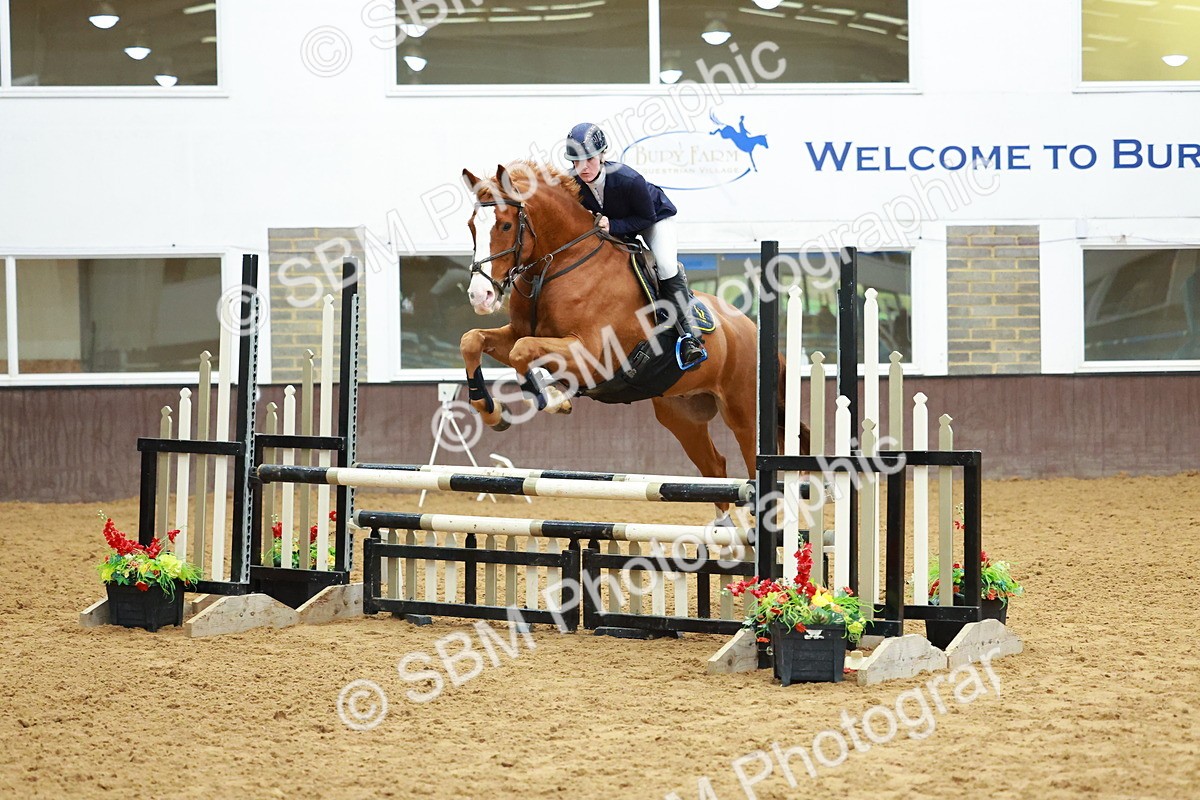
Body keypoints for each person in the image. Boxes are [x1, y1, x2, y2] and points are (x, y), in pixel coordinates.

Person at [563, 122, 707, 369]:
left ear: (602, 155)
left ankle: (690, 336)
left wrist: (614, 226)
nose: (583, 167)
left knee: (664, 265)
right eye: (576, 162)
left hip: (653, 219)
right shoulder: (571, 183)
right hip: (613, 225)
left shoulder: (628, 179)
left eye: (589, 160)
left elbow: (646, 218)